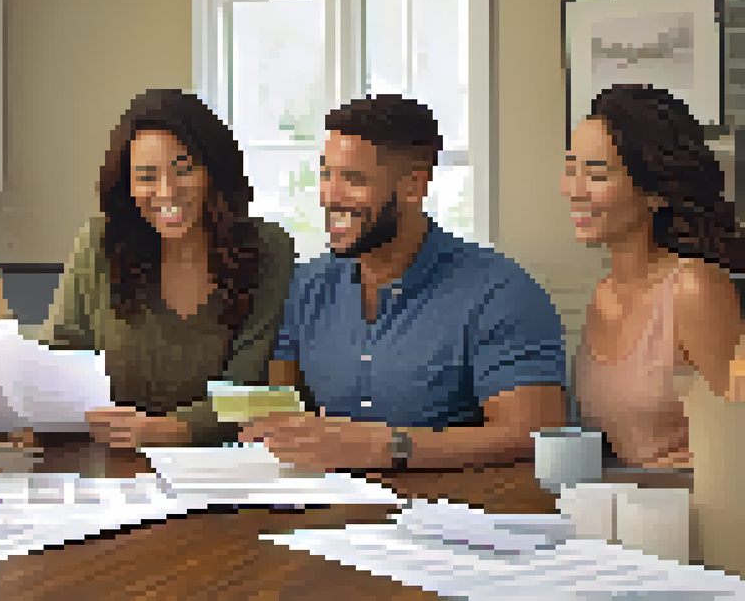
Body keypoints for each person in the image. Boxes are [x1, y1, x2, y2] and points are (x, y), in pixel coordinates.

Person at [242, 94, 568, 472]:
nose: (329, 196)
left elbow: (532, 434)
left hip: (457, 504)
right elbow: (285, 414)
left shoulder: (500, 292)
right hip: (327, 501)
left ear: (414, 186)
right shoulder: (307, 286)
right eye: (326, 174)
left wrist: (385, 447)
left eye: (353, 179)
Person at [40, 89, 296, 449]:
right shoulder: (98, 243)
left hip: (223, 466)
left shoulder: (269, 249)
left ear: (213, 171)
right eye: (146, 176)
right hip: (108, 459)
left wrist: (170, 430)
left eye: (184, 170)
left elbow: (251, 387)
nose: (167, 191)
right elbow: (58, 358)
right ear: (127, 184)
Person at [563, 84, 745, 469]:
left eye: (596, 174)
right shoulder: (602, 295)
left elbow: (737, 444)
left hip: (696, 503)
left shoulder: (694, 290)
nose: (573, 191)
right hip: (625, 500)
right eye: (570, 169)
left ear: (656, 194)